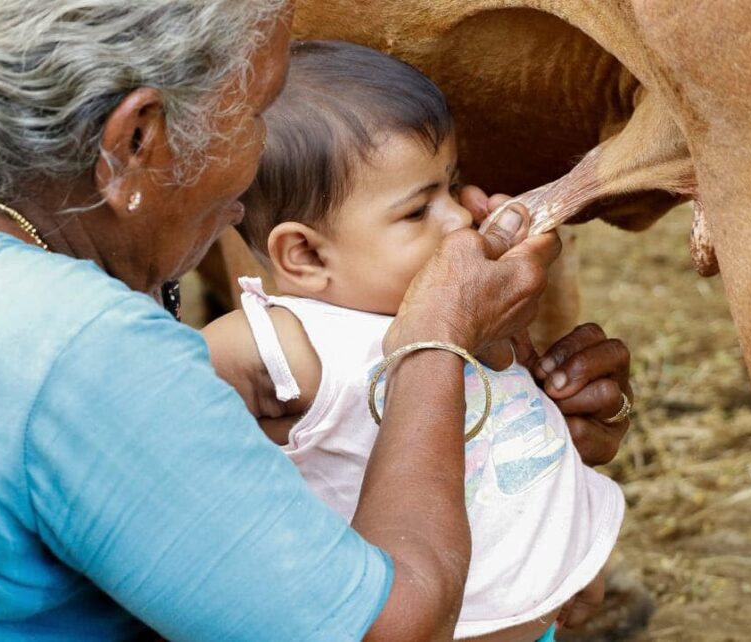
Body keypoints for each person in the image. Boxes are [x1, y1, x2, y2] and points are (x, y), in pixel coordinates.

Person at [0, 1, 630, 640]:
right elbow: (387, 630)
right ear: (138, 139)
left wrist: (497, 445)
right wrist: (434, 343)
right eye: (256, 112)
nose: (256, 173)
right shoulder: (81, 353)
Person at [202, 41, 631, 642]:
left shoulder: (467, 308)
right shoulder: (286, 340)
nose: (457, 219)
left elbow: (516, 446)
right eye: (416, 211)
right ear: (303, 255)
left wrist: (574, 560)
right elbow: (158, 396)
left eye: (452, 187)